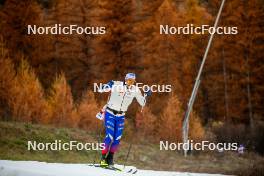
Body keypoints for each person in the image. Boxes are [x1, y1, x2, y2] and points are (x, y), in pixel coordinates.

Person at [97, 73, 151, 166]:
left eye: (132, 81)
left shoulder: (135, 90)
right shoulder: (116, 84)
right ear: (125, 79)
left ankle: (110, 158)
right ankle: (102, 158)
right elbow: (101, 89)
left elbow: (142, 103)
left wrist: (147, 95)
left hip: (121, 116)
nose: (130, 83)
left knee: (117, 138)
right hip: (110, 113)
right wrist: (106, 85)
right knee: (110, 136)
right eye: (129, 80)